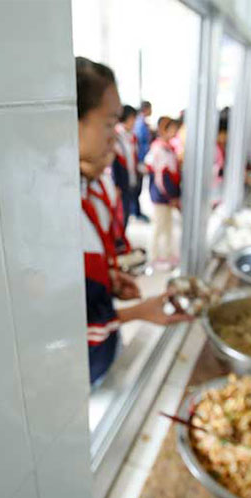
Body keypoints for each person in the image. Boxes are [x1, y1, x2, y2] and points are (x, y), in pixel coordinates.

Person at [75, 57, 191, 385]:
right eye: (109, 123)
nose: (115, 138)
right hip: (82, 367)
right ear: (70, 120)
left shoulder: (81, 194)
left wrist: (109, 279)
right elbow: (64, 330)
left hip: (99, 353)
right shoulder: (50, 217)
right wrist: (141, 312)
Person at [145, 116, 181, 269]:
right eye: (171, 129)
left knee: (167, 226)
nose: (175, 132)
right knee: (158, 226)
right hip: (161, 195)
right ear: (163, 130)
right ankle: (152, 257)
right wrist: (170, 196)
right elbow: (161, 178)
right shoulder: (158, 149)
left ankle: (167, 255)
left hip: (167, 195)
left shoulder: (168, 148)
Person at [113, 105, 142, 226]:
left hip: (129, 180)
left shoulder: (131, 136)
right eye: (133, 119)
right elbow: (114, 162)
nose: (135, 122)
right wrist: (115, 184)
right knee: (121, 215)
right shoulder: (116, 136)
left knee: (126, 212)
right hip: (120, 182)